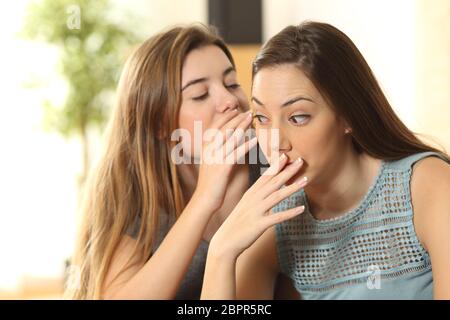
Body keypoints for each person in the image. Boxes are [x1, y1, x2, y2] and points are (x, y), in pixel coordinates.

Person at [201, 21, 450, 300]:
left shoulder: (428, 186)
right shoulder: (278, 222)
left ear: (347, 115)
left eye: (297, 117)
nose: (276, 142)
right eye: (262, 118)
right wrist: (221, 252)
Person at [67, 24, 265, 299]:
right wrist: (205, 198)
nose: (230, 99)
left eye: (232, 83)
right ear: (160, 123)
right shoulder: (135, 197)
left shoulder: (271, 165)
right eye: (200, 95)